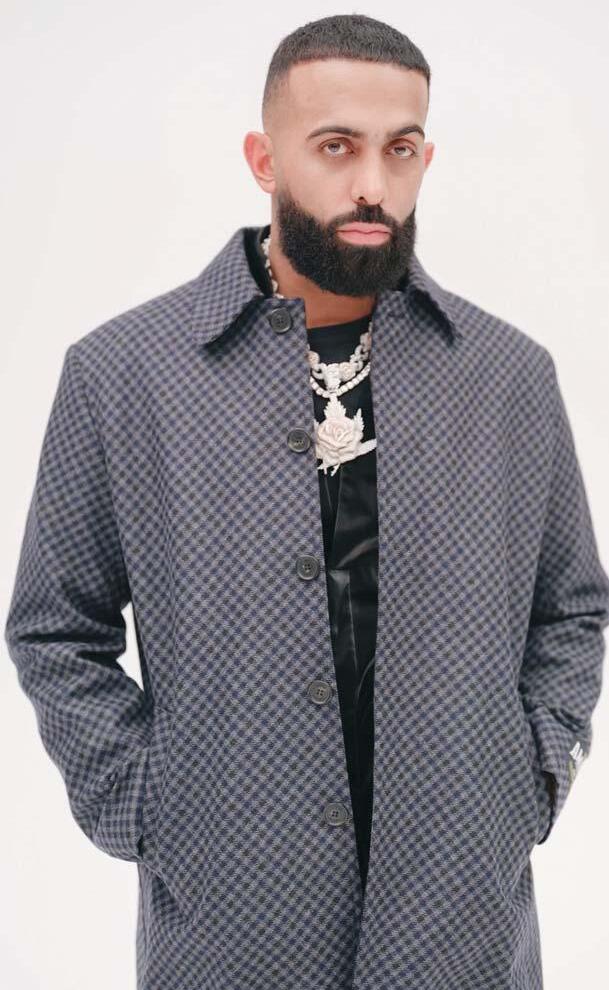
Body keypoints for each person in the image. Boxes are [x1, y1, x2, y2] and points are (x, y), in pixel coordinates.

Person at [5, 13, 609, 990]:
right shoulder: (125, 376)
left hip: (461, 921)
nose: (372, 184)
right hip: (230, 926)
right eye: (335, 147)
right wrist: (143, 803)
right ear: (264, 159)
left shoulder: (507, 376)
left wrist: (534, 775)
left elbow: (571, 608)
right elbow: (55, 627)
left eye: (399, 149)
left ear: (424, 158)